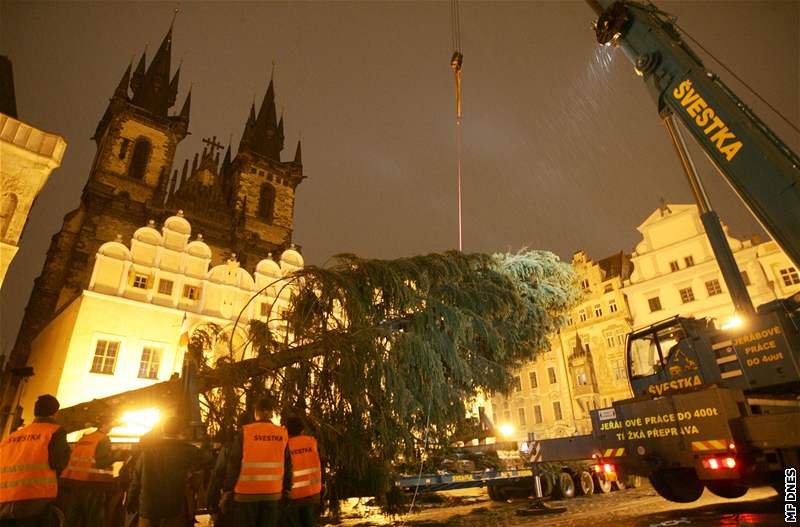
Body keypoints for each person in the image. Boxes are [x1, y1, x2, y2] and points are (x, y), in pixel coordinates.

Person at [0, 394, 70, 526]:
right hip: (34, 498)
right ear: (55, 413)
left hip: (4, 500)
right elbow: (58, 462)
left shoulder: (13, 435)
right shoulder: (55, 431)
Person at [223, 397, 291, 527]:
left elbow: (234, 463)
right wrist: (287, 489)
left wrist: (228, 490)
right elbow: (288, 464)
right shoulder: (282, 433)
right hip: (273, 493)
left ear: (256, 413)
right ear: (271, 413)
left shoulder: (246, 432)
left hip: (246, 494)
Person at [128, 416, 205, 527]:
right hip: (174, 509)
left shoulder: (147, 452)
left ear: (163, 430)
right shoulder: (188, 451)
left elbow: (136, 479)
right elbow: (207, 461)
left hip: (148, 508)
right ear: (181, 431)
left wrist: (132, 499)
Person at [59, 414, 117, 526]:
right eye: (110, 425)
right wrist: (117, 456)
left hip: (75, 481)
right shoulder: (103, 439)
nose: (111, 427)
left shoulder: (85, 438)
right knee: (92, 517)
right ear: (104, 425)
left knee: (73, 516)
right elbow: (101, 463)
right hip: (93, 483)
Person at [284, 416, 322, 527]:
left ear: (287, 429)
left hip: (292, 496)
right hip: (312, 493)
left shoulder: (285, 445)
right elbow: (321, 464)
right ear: (302, 429)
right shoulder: (312, 442)